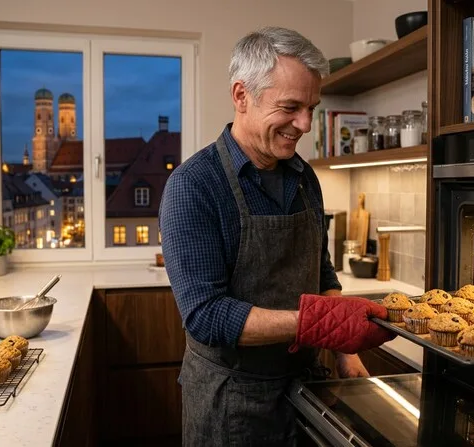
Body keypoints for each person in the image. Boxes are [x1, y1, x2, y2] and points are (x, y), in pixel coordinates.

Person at [159, 26, 393, 446]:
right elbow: (206, 315)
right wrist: (323, 325)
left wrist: (344, 351)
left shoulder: (305, 179)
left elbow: (320, 271)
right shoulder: (193, 186)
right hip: (231, 402)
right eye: (290, 107)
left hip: (307, 389)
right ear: (241, 96)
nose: (303, 124)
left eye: (311, 108)